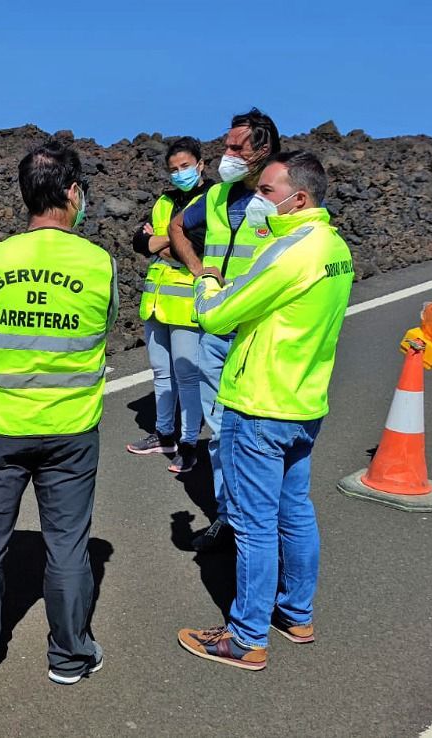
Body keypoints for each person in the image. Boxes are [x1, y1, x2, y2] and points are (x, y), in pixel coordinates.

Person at [0, 140, 116, 687]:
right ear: (72, 192)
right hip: (69, 430)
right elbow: (107, 326)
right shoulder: (99, 263)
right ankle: (69, 657)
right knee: (68, 547)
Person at [175, 151, 353, 671]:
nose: (258, 199)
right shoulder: (333, 246)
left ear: (299, 198)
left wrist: (207, 281)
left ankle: (246, 637)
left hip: (259, 403)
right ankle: (297, 614)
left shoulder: (290, 251)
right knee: (294, 510)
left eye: (268, 191)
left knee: (253, 525)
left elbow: (217, 315)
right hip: (303, 401)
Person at [166, 108, 282, 550]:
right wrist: (198, 270)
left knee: (258, 433)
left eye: (236, 147)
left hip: (258, 332)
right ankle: (229, 519)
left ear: (263, 148)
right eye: (226, 145)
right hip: (216, 330)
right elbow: (177, 226)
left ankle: (262, 524)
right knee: (219, 429)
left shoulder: (280, 195)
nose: (226, 154)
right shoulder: (216, 198)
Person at [126, 137, 212, 473]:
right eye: (174, 169)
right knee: (162, 372)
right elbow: (139, 241)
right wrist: (167, 242)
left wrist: (158, 242)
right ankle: (164, 433)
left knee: (188, 376)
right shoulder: (165, 200)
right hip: (157, 302)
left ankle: (189, 442)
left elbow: (200, 245)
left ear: (201, 164)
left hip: (188, 301)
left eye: (185, 166)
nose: (179, 173)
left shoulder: (211, 199)